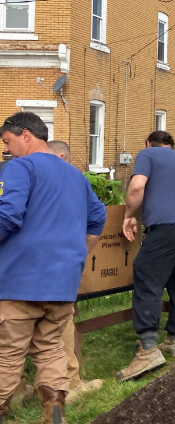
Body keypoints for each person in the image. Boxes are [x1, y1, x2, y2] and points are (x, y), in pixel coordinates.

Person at [0, 113, 106, 424]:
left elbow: (7, 216)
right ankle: (53, 413)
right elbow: (97, 219)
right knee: (49, 350)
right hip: (62, 284)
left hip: (19, 281)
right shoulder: (75, 175)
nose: (7, 150)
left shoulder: (20, 167)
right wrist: (76, 255)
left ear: (26, 135)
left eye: (8, 142)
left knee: (6, 356)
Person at [115, 131, 175, 381]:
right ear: (172, 146)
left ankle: (148, 349)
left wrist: (129, 215)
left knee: (146, 277)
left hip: (165, 228)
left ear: (149, 144)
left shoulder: (147, 154)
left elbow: (137, 185)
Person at [44, 141, 104, 403]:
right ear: (61, 156)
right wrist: (82, 251)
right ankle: (70, 384)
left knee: (15, 325)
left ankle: (16, 389)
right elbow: (97, 215)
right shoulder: (71, 179)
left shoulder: (18, 173)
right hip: (57, 264)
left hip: (19, 266)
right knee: (60, 320)